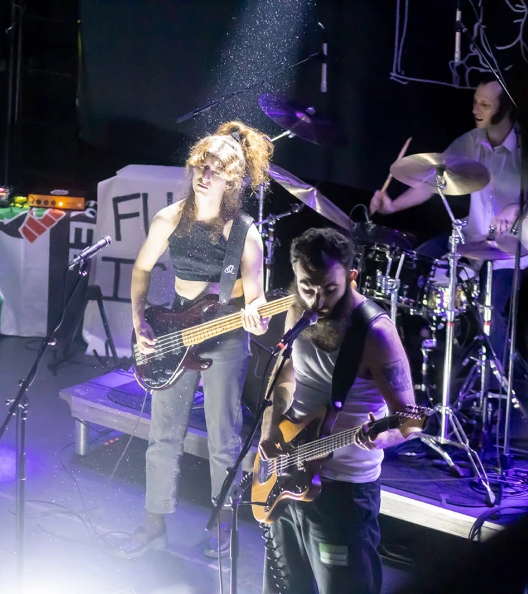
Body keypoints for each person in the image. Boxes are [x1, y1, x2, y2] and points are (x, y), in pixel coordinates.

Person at [116, 121, 272, 559]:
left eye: (215, 169)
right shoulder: (169, 217)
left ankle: (223, 526)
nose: (204, 175)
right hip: (175, 332)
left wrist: (256, 319)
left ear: (231, 179)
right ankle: (152, 527)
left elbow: (256, 298)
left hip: (223, 337)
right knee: (163, 435)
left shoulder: (245, 233)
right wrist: (140, 322)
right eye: (200, 166)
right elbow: (142, 269)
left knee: (224, 438)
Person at [258, 228, 417, 594]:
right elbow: (284, 377)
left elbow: (409, 420)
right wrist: (269, 431)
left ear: (350, 276)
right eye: (307, 287)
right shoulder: (296, 308)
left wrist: (382, 437)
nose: (317, 300)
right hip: (287, 471)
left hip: (344, 490)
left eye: (329, 289)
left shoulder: (375, 333)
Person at [370, 75, 528, 362]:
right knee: (414, 265)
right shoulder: (471, 142)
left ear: (507, 109)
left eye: (485, 104)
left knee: (494, 309)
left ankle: (505, 387)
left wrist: (517, 208)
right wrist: (392, 206)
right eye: (475, 102)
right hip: (474, 241)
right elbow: (430, 182)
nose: (476, 109)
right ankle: (421, 359)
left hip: (517, 250)